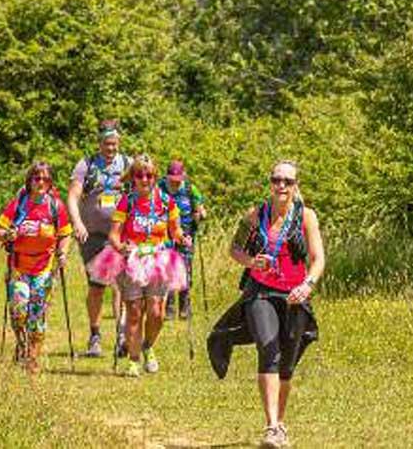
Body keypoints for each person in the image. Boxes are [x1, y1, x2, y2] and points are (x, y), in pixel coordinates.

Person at [206, 161, 325, 449]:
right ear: (270, 183)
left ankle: (280, 424)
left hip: (294, 296)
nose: (281, 186)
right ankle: (271, 426)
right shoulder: (255, 214)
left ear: (295, 185)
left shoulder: (306, 217)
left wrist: (307, 285)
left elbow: (318, 258)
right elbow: (234, 248)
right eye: (276, 180)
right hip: (260, 292)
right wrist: (250, 261)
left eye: (287, 181)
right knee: (268, 348)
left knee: (286, 363)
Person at [88, 154, 191, 377]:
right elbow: (114, 234)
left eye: (149, 175)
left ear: (155, 177)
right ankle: (133, 361)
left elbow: (175, 230)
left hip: (158, 259)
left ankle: (148, 346)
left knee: (156, 312)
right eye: (139, 175)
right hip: (132, 259)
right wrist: (120, 247)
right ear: (133, 178)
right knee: (134, 312)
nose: (145, 179)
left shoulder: (166, 202)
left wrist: (183, 238)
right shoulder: (128, 201)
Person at [0, 161, 72, 374]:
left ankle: (33, 357)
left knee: (37, 315)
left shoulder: (55, 206)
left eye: (45, 179)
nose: (40, 182)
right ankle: (21, 344)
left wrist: (63, 253)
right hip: (19, 266)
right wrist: (7, 235)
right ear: (29, 181)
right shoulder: (19, 204)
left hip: (44, 269)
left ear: (50, 183)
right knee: (19, 311)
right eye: (36, 178)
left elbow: (65, 233)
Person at [67, 119, 132, 358]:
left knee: (122, 284)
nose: (110, 148)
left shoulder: (127, 164)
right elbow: (73, 196)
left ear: (119, 143)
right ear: (100, 143)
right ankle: (95, 335)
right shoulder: (86, 165)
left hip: (120, 235)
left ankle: (122, 334)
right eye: (107, 143)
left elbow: (141, 191)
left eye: (114, 144)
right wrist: (78, 223)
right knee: (97, 287)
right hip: (93, 236)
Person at [159, 160, 206, 320]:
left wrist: (200, 215)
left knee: (185, 268)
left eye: (178, 178)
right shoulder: (159, 187)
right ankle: (170, 308)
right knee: (168, 269)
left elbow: (200, 208)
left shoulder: (190, 189)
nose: (175, 181)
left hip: (186, 232)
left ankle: (185, 307)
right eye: (172, 178)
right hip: (164, 232)